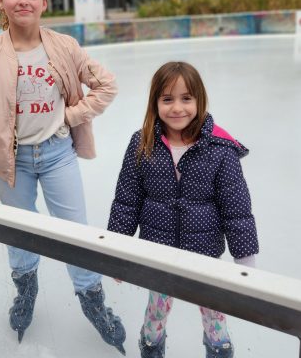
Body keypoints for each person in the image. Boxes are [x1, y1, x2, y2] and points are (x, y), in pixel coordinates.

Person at [0, 0, 126, 355]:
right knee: (20, 236)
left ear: (44, 2)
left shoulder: (64, 46)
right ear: (1, 1)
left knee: (77, 234)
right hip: (11, 164)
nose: (23, 0)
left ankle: (92, 301)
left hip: (57, 156)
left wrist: (68, 118)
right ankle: (26, 290)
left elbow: (107, 85)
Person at [108, 61, 259, 358]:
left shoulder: (219, 148)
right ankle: (151, 347)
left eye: (186, 98)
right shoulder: (142, 143)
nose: (177, 108)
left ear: (199, 100)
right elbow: (127, 199)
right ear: (155, 103)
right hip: (159, 253)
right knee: (156, 312)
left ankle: (218, 351)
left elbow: (236, 207)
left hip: (204, 256)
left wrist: (245, 261)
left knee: (215, 314)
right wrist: (116, 250)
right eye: (167, 99)